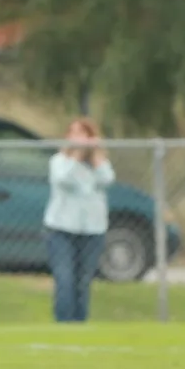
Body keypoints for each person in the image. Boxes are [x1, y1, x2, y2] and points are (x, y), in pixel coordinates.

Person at [43, 118, 115, 322]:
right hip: (61, 229)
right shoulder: (59, 161)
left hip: (92, 230)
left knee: (83, 282)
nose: (78, 138)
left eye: (83, 134)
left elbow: (107, 179)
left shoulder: (98, 164)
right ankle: (64, 324)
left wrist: (96, 156)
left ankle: (79, 324)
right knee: (65, 279)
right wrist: (75, 155)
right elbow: (62, 179)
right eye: (73, 133)